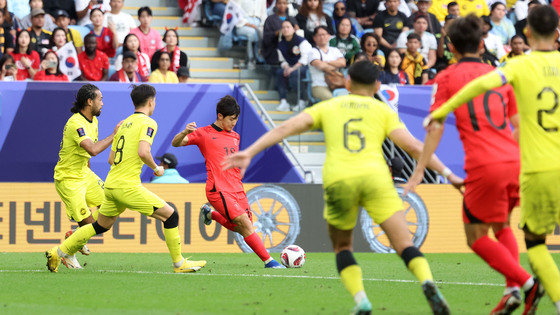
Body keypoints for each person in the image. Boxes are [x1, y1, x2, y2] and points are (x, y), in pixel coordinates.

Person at [224, 60, 463, 314]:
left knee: (342, 248)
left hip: (341, 180)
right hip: (376, 179)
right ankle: (427, 282)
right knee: (404, 244)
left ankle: (361, 300)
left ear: (347, 82)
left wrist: (249, 152)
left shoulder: (330, 106)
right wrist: (450, 174)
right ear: (377, 85)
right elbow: (415, 146)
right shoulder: (383, 112)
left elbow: (285, 128)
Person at [423, 6, 560, 314]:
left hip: (503, 166)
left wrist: (423, 166)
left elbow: (440, 123)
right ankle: (513, 289)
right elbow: (517, 124)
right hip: (517, 161)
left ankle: (527, 283)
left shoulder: (511, 69)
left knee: (484, 236)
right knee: (501, 225)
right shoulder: (504, 71)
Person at [46, 84, 207, 274]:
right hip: (124, 186)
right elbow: (143, 152)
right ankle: (179, 264)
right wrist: (156, 168)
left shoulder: (124, 124)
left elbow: (111, 159)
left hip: (112, 183)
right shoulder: (149, 123)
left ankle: (57, 252)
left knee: (99, 225)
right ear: (150, 101)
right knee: (170, 215)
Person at [171, 95, 285, 269]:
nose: (234, 123)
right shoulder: (203, 133)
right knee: (245, 225)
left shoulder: (235, 136)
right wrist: (184, 132)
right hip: (218, 188)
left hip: (237, 188)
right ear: (220, 116)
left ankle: (210, 214)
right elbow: (176, 143)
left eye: (236, 119)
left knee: (241, 228)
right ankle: (270, 261)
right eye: (231, 119)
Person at [49, 84, 120, 269]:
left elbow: (87, 155)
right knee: (92, 224)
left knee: (113, 204)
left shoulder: (93, 121)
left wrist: (89, 173)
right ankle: (69, 251)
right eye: (100, 99)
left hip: (85, 174)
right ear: (89, 101)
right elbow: (93, 149)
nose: (103, 103)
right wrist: (114, 135)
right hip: (69, 179)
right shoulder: (76, 123)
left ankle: (74, 238)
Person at [276, 20, 311, 111]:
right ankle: (284, 101)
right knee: (280, 73)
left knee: (295, 74)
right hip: (290, 67)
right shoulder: (281, 44)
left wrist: (292, 69)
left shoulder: (302, 41)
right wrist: (287, 68)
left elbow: (305, 58)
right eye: (283, 27)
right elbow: (282, 60)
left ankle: (302, 101)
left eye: (288, 27)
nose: (285, 29)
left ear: (293, 29)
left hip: (304, 67)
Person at [308, 26, 345, 101]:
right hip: (319, 85)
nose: (322, 37)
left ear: (328, 36)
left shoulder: (335, 50)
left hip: (336, 84)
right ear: (314, 38)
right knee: (330, 100)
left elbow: (343, 63)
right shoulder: (313, 51)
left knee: (345, 99)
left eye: (324, 34)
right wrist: (335, 66)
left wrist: (327, 62)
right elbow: (321, 66)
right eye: (319, 35)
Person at [262, 0, 298, 65]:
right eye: (279, 3)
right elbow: (266, 38)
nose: (282, 5)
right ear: (275, 5)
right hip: (274, 51)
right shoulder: (270, 19)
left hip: (291, 51)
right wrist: (277, 33)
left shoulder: (292, 19)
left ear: (287, 5)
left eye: (284, 3)